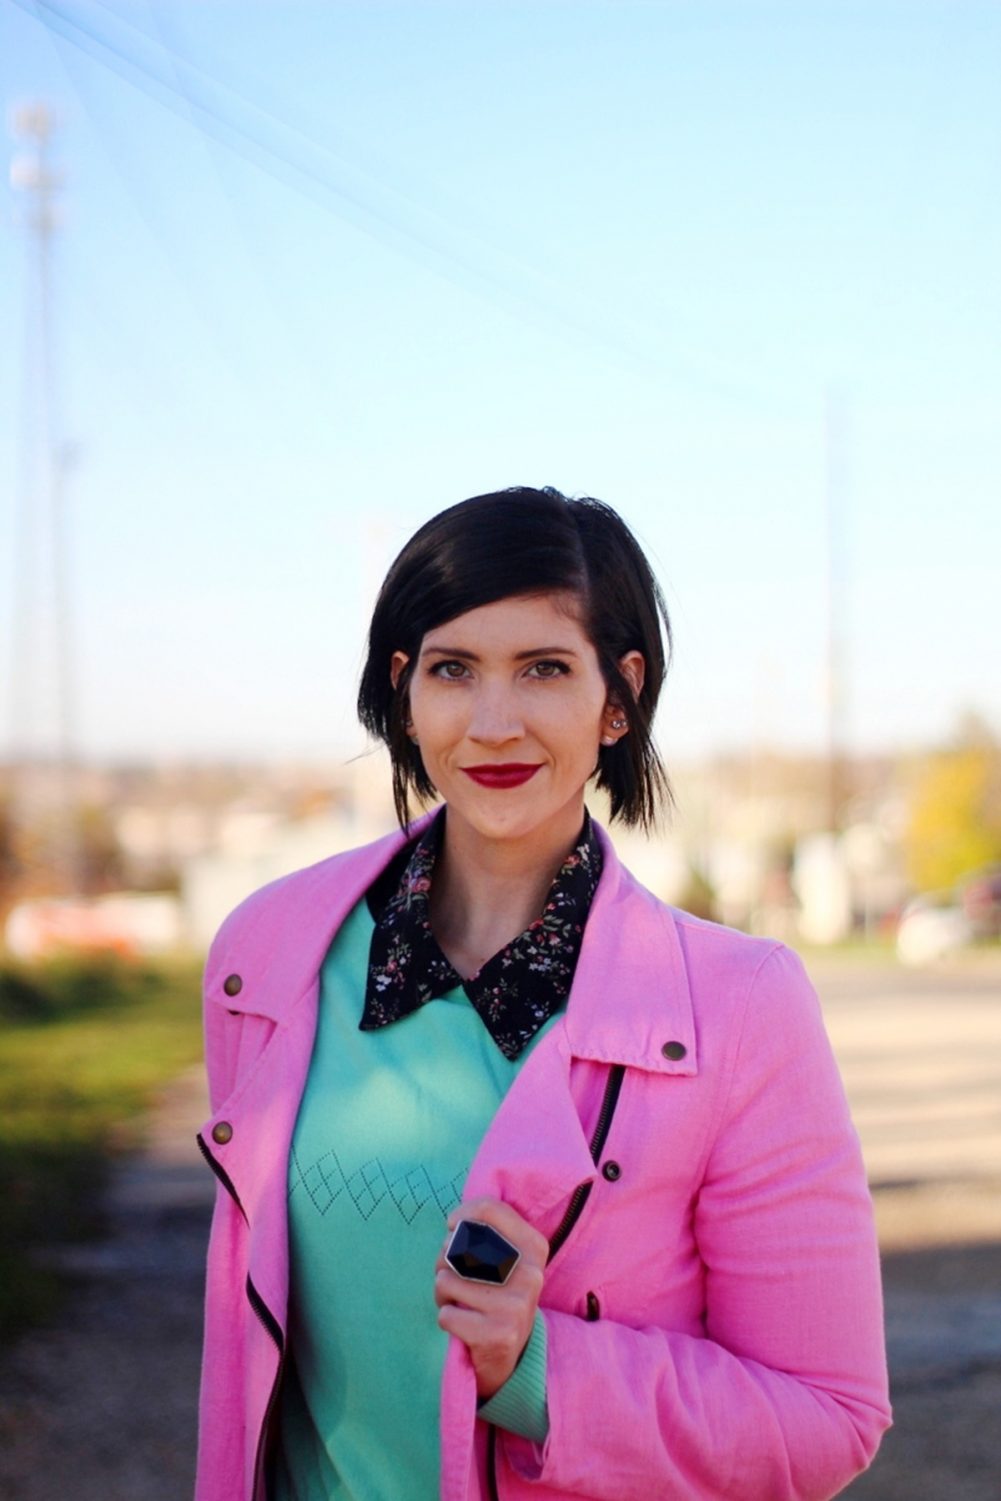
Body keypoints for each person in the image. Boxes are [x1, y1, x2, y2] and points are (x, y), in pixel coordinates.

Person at [194, 486, 891, 1501]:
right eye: (452, 669)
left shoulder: (740, 1004)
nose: (493, 723)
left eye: (544, 668)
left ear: (619, 695)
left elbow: (826, 1417)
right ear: (403, 688)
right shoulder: (266, 954)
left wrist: (532, 1369)